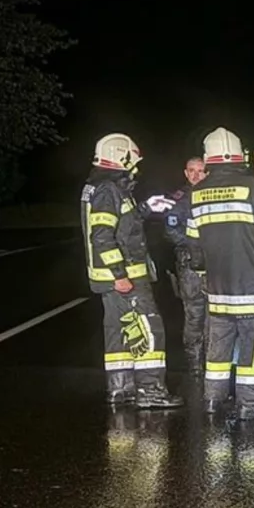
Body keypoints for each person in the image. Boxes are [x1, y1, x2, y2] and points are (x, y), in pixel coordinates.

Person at [186, 127, 254, 419]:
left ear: (210, 158)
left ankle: (212, 400)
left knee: (218, 348)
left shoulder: (197, 193)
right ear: (238, 155)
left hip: (218, 289)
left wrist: (203, 270)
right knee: (253, 348)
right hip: (253, 287)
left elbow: (194, 248)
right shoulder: (251, 188)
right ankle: (251, 404)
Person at [80, 133, 184, 408]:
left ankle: (120, 388)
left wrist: (147, 208)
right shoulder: (108, 189)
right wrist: (120, 274)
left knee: (118, 330)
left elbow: (121, 224)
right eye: (132, 161)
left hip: (110, 279)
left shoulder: (102, 187)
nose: (135, 167)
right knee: (150, 327)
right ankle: (150, 391)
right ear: (121, 157)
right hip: (124, 277)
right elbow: (101, 235)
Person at [145, 157, 209, 373]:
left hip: (215, 263)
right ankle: (194, 361)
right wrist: (195, 245)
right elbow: (170, 231)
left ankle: (213, 358)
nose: (195, 175)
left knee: (216, 314)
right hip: (189, 263)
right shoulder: (179, 199)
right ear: (185, 172)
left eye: (200, 171)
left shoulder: (215, 196)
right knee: (194, 313)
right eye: (191, 171)